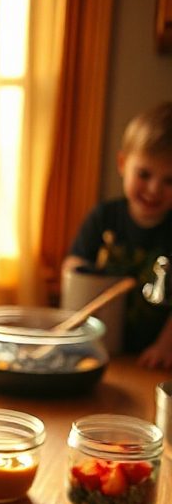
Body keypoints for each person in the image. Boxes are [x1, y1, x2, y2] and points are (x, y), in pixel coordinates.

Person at [63, 102, 172, 368]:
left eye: (170, 181)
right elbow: (73, 265)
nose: (154, 189)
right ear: (123, 164)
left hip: (151, 357)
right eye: (144, 174)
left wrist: (165, 346)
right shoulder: (104, 217)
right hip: (96, 348)